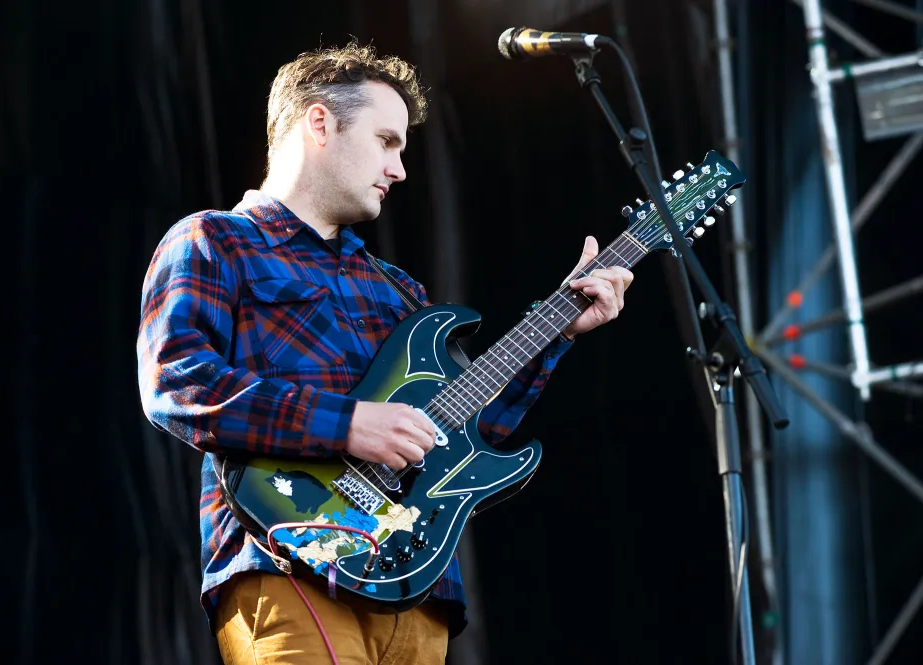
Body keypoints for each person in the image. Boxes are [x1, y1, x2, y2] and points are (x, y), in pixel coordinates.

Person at [136, 42, 634, 665]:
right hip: (287, 558)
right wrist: (347, 424)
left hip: (415, 586)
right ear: (319, 123)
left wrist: (558, 331)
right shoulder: (214, 240)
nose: (400, 168)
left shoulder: (400, 290)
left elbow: (464, 434)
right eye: (387, 141)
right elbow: (178, 384)